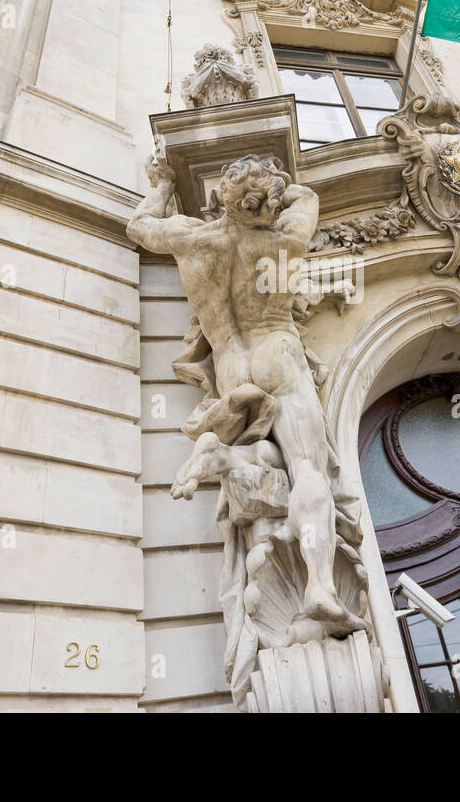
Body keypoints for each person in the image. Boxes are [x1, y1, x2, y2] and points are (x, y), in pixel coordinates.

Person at [128, 153, 365, 638]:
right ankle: (319, 585)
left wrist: (163, 183)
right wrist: (277, 191)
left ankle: (221, 456)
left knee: (267, 458)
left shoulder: (193, 237)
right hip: (276, 352)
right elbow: (308, 196)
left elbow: (139, 226)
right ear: (267, 204)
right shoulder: (284, 240)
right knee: (306, 470)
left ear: (223, 201)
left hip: (232, 365)